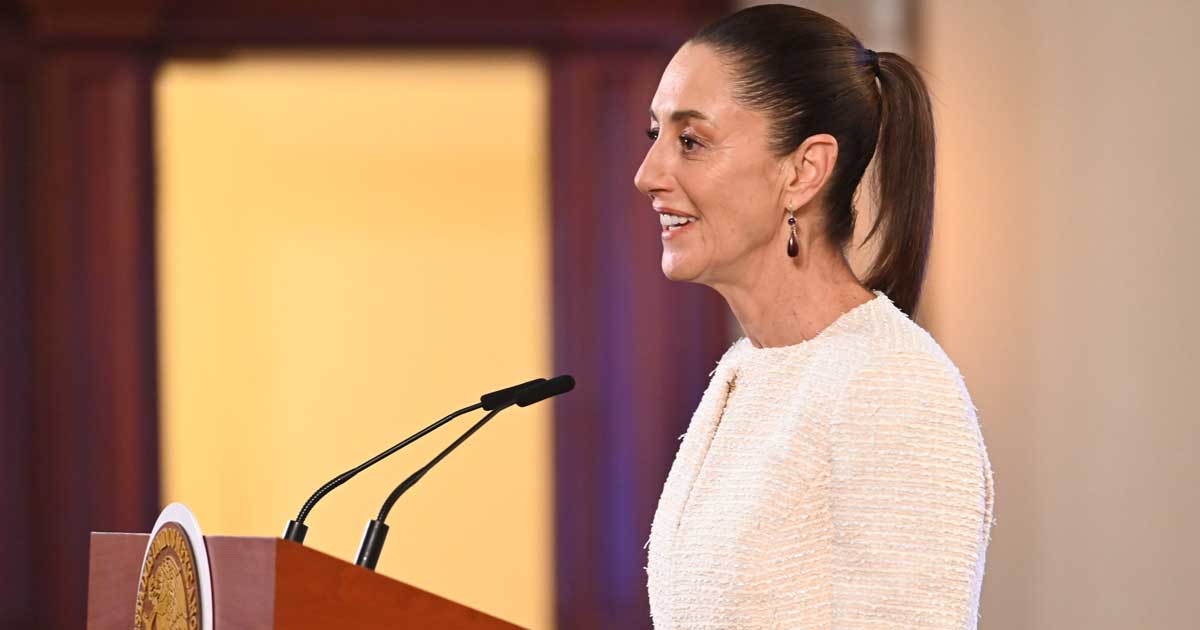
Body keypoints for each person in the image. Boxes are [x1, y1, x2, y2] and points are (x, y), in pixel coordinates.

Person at [634, 4, 995, 628]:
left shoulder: (893, 384)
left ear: (803, 171)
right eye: (656, 136)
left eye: (690, 140)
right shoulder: (746, 370)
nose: (648, 175)